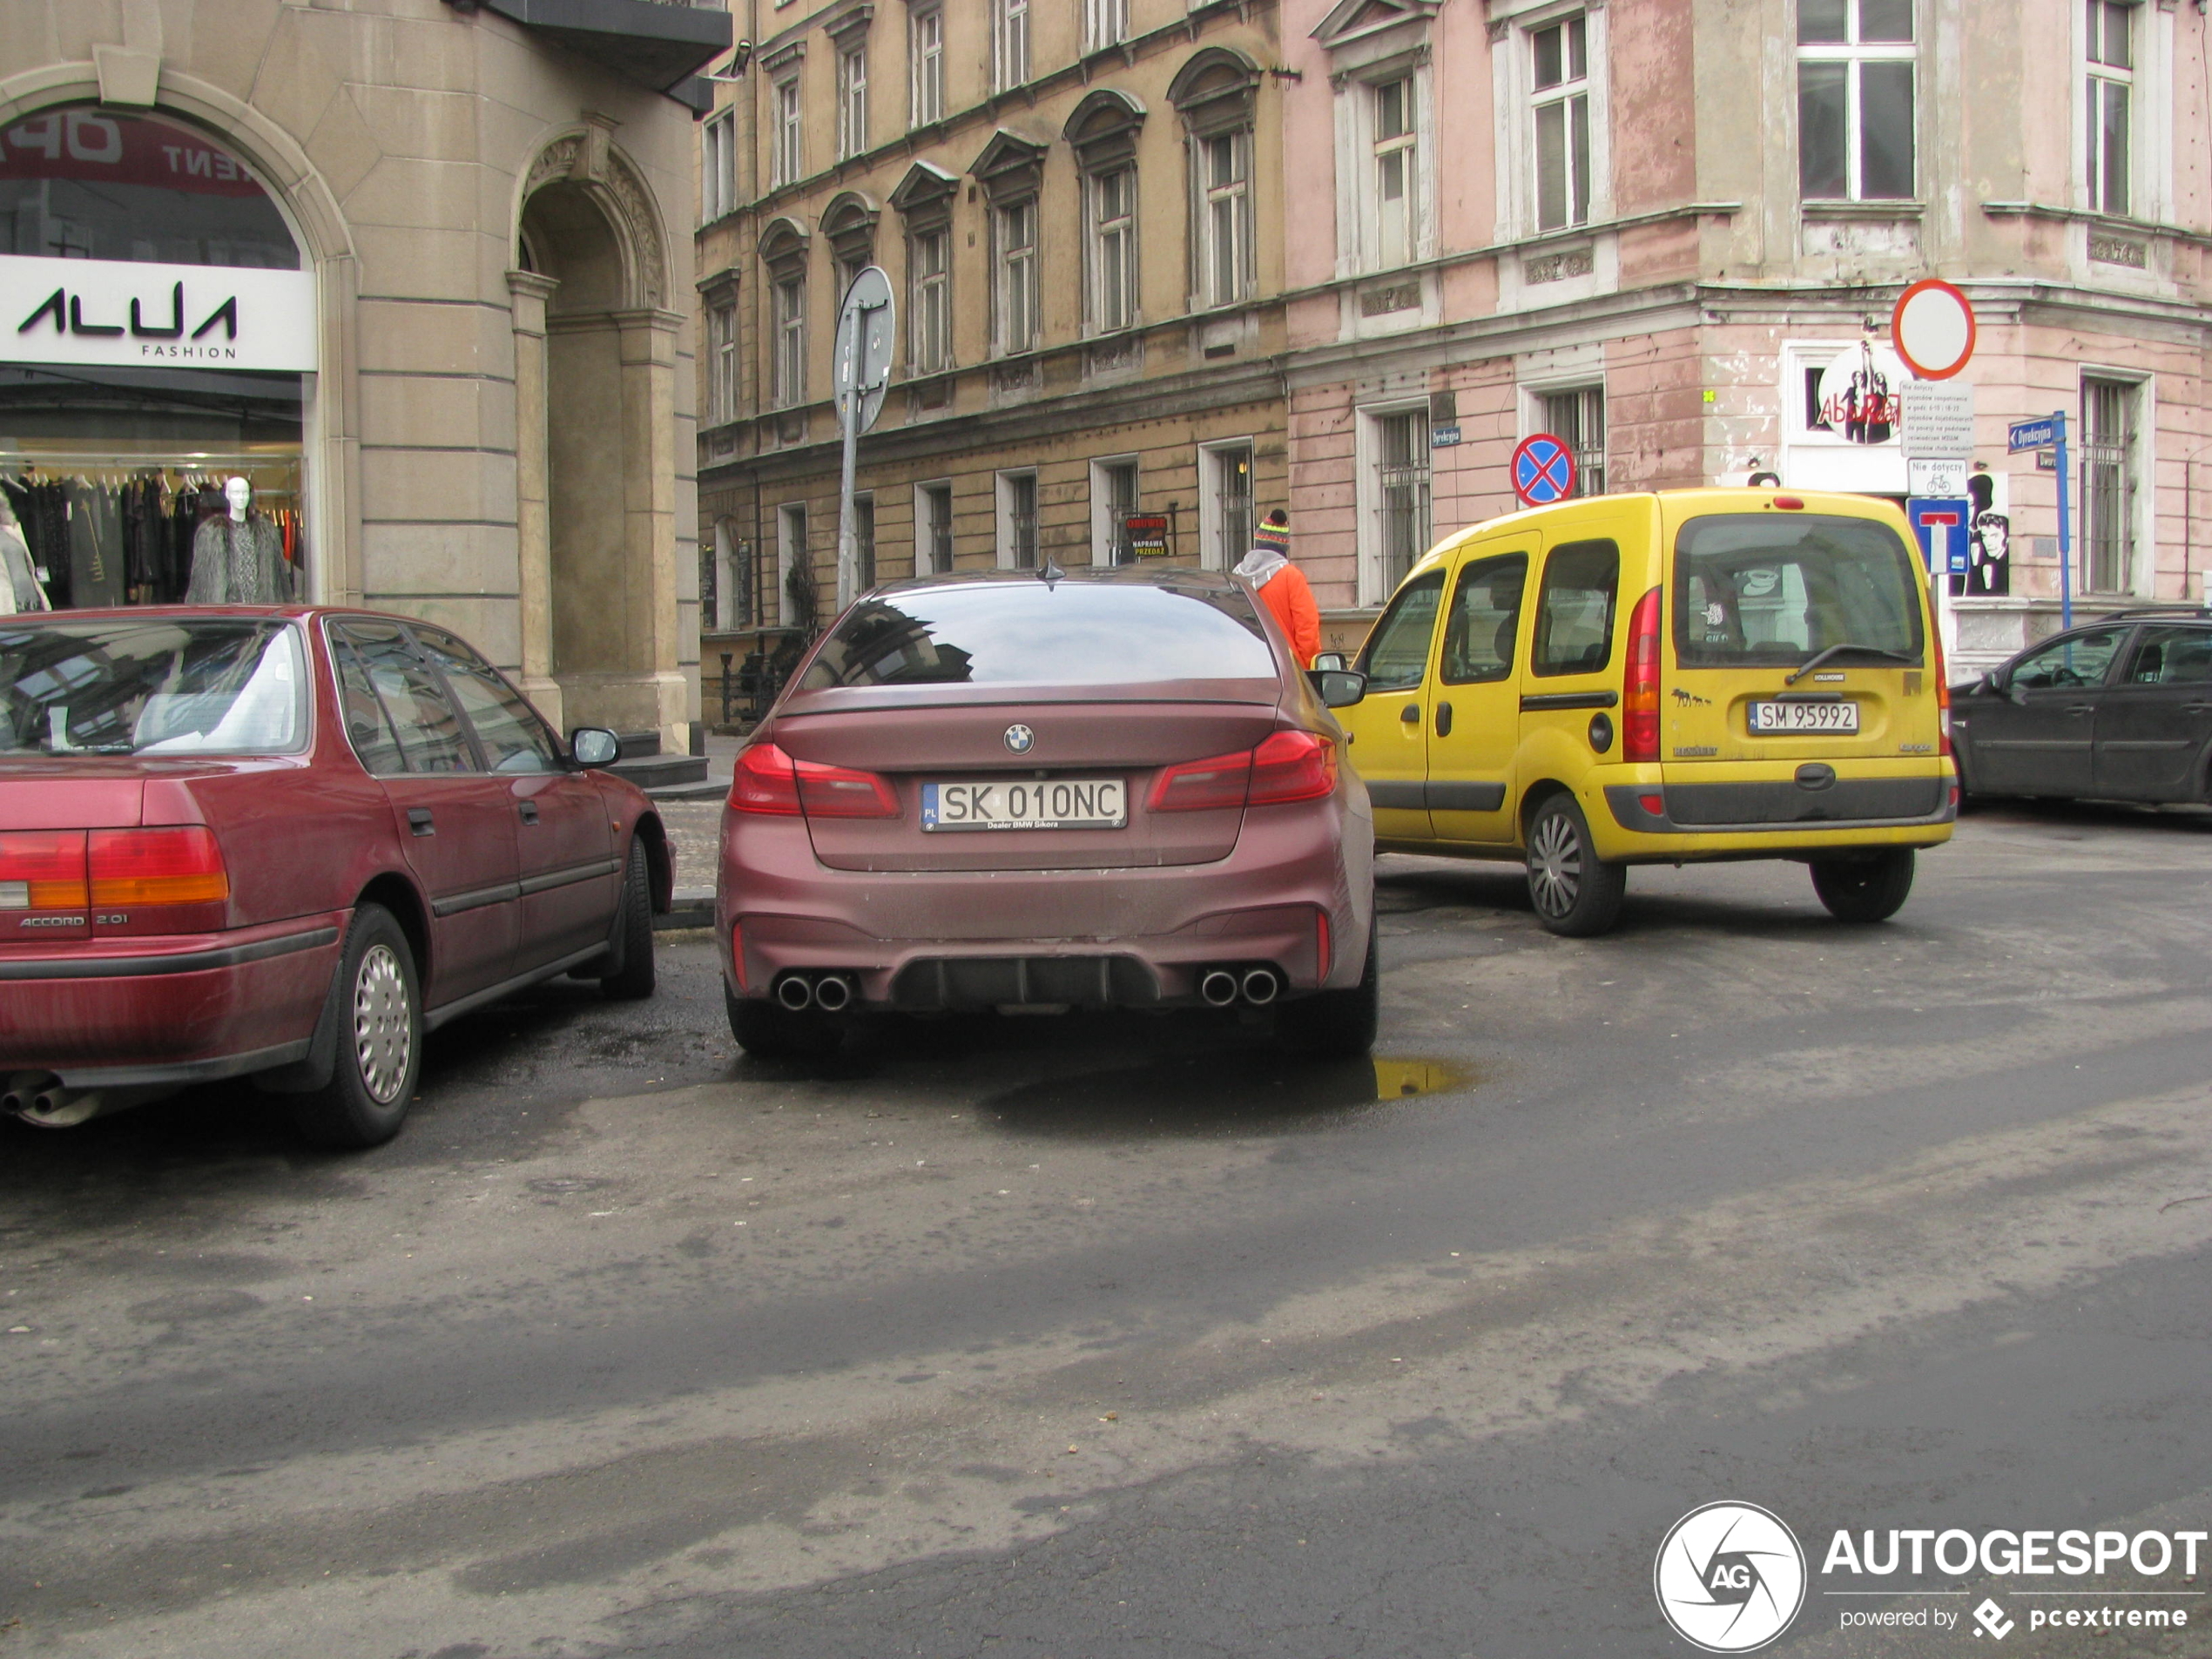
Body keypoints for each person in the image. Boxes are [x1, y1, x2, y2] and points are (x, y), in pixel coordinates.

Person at [1234, 508, 1321, 667]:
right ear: (1283, 548)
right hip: (1284, 671)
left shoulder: (1237, 579)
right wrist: (1308, 670)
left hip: (1246, 670)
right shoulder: (1291, 577)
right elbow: (1307, 630)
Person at [0, 493, 50, 615]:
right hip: (7, 603)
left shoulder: (13, 531)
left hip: (31, 598)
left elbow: (32, 561)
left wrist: (43, 580)